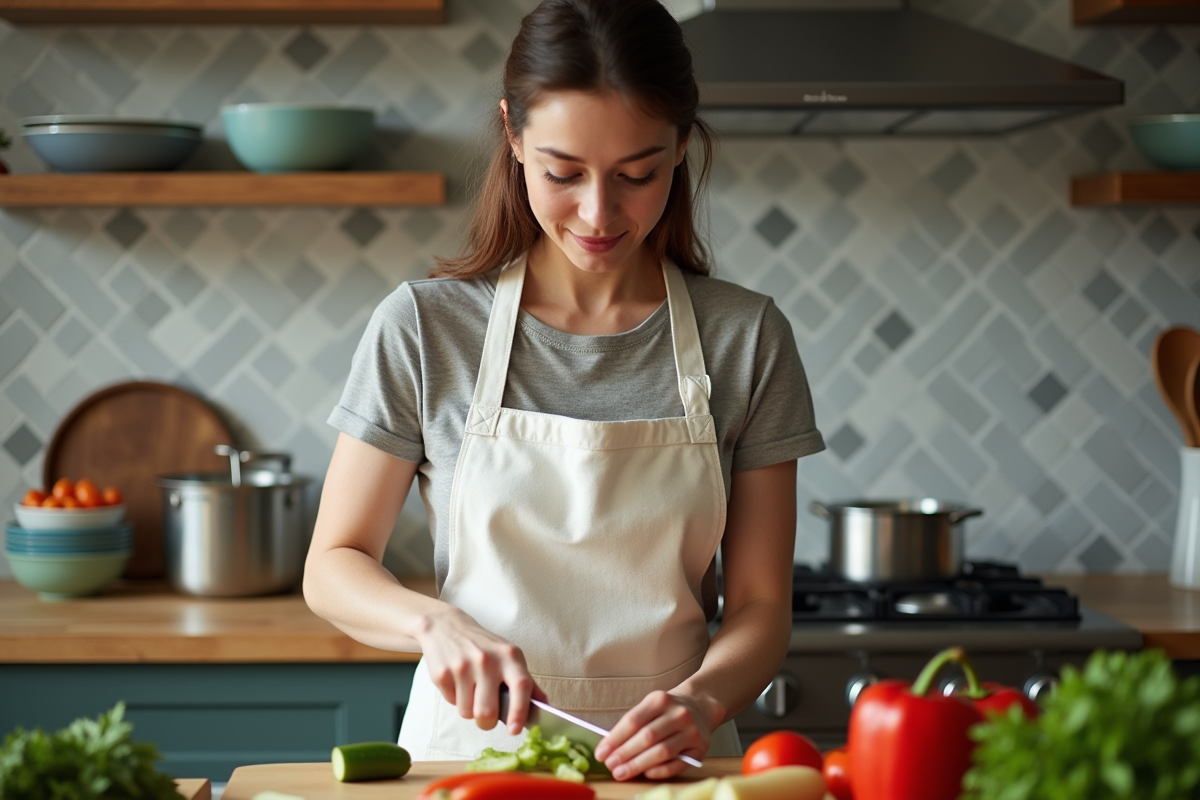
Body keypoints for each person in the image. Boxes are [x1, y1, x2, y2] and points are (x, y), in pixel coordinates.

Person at [303, 0, 824, 781]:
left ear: (682, 146)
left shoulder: (745, 338)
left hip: (671, 765)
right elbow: (334, 564)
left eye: (637, 174)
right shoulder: (424, 327)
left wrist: (705, 701)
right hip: (469, 760)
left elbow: (758, 608)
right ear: (512, 135)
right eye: (563, 171)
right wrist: (433, 623)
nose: (598, 213)